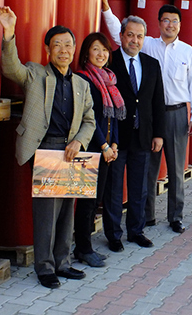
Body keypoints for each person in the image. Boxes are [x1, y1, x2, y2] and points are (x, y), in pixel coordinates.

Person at [0, 6, 96, 289]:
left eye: (68, 44)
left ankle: (63, 263)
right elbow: (10, 67)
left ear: (75, 49)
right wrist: (9, 33)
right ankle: (45, 267)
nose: (63, 50)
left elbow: (90, 119)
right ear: (48, 50)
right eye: (57, 45)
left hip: (72, 152)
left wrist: (80, 141)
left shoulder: (81, 84)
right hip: (46, 150)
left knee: (67, 211)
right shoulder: (35, 73)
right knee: (46, 213)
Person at [102, 0, 192, 234]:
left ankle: (175, 217)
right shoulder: (146, 44)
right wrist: (106, 8)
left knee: (177, 169)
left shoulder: (188, 52)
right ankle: (147, 217)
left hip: (177, 113)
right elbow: (119, 33)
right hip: (148, 117)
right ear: (158, 23)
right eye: (165, 20)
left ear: (180, 25)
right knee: (148, 169)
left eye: (174, 21)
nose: (170, 25)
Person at [103, 15, 166, 251]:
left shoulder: (151, 64)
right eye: (130, 35)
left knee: (140, 188)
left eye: (139, 36)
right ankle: (113, 235)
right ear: (121, 36)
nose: (134, 40)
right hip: (117, 138)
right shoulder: (110, 62)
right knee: (114, 189)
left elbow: (157, 101)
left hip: (143, 136)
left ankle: (136, 231)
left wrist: (158, 134)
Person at [73, 32, 124, 266]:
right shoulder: (83, 79)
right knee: (86, 201)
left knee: (96, 201)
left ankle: (87, 247)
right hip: (91, 149)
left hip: (106, 150)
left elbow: (114, 116)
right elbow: (88, 117)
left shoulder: (109, 79)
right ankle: (83, 249)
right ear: (86, 53)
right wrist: (104, 145)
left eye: (104, 49)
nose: (101, 54)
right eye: (96, 49)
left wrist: (114, 144)